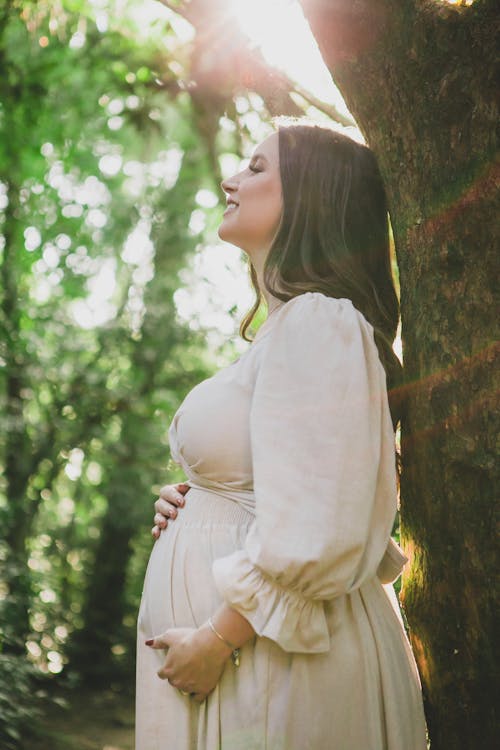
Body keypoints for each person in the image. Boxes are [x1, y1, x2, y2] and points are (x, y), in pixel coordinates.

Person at [135, 122, 427, 749]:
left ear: (311, 200)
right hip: (252, 662)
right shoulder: (289, 332)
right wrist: (197, 501)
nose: (230, 179)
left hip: (275, 663)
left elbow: (323, 521)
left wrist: (218, 639)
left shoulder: (320, 323)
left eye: (258, 167)